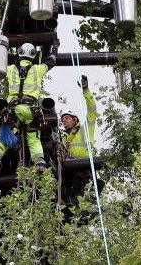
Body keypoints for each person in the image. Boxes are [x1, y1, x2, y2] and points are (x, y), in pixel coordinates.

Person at [0, 40, 59, 173]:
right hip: (31, 111)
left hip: (14, 110)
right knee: (34, 140)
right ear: (33, 56)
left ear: (18, 55)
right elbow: (52, 61)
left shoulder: (10, 69)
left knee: (6, 137)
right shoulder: (38, 69)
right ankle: (40, 164)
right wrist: (55, 47)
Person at [59, 75, 97, 208]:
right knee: (70, 196)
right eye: (63, 119)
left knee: (81, 196)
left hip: (83, 167)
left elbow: (92, 110)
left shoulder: (85, 129)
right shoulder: (63, 138)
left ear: (75, 119)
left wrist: (85, 90)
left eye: (67, 118)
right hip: (70, 171)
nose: (64, 121)